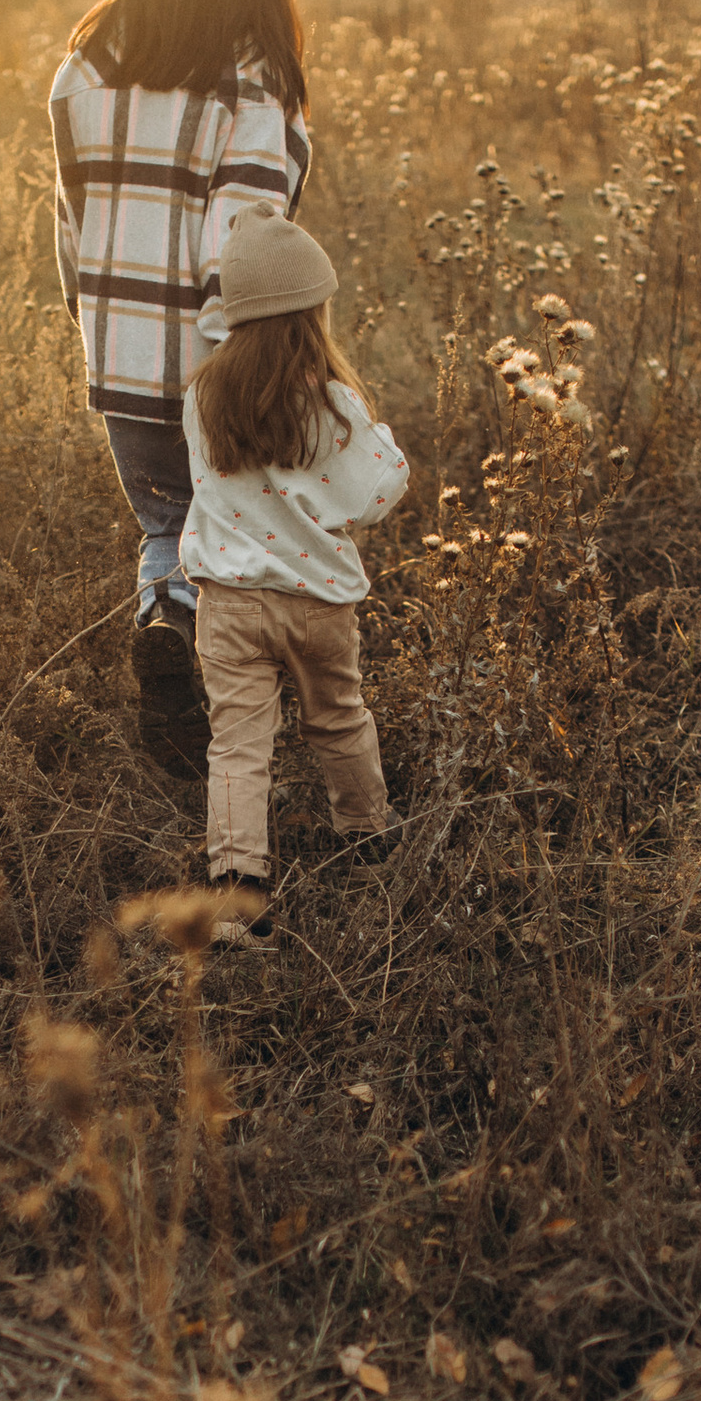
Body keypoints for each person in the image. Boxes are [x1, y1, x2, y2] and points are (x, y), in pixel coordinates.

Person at [49, 0, 312, 772]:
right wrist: (249, 356)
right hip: (221, 355)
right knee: (251, 534)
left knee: (168, 524)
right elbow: (245, 233)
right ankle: (242, 723)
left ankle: (166, 615)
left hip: (120, 349)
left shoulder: (87, 65)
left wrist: (94, 324)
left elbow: (71, 221)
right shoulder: (254, 78)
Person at [180, 199, 408, 902]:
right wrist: (381, 441)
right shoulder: (333, 405)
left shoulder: (203, 398)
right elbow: (374, 496)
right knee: (339, 719)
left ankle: (236, 895)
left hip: (229, 605)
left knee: (237, 746)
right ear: (313, 314)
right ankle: (368, 846)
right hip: (317, 603)